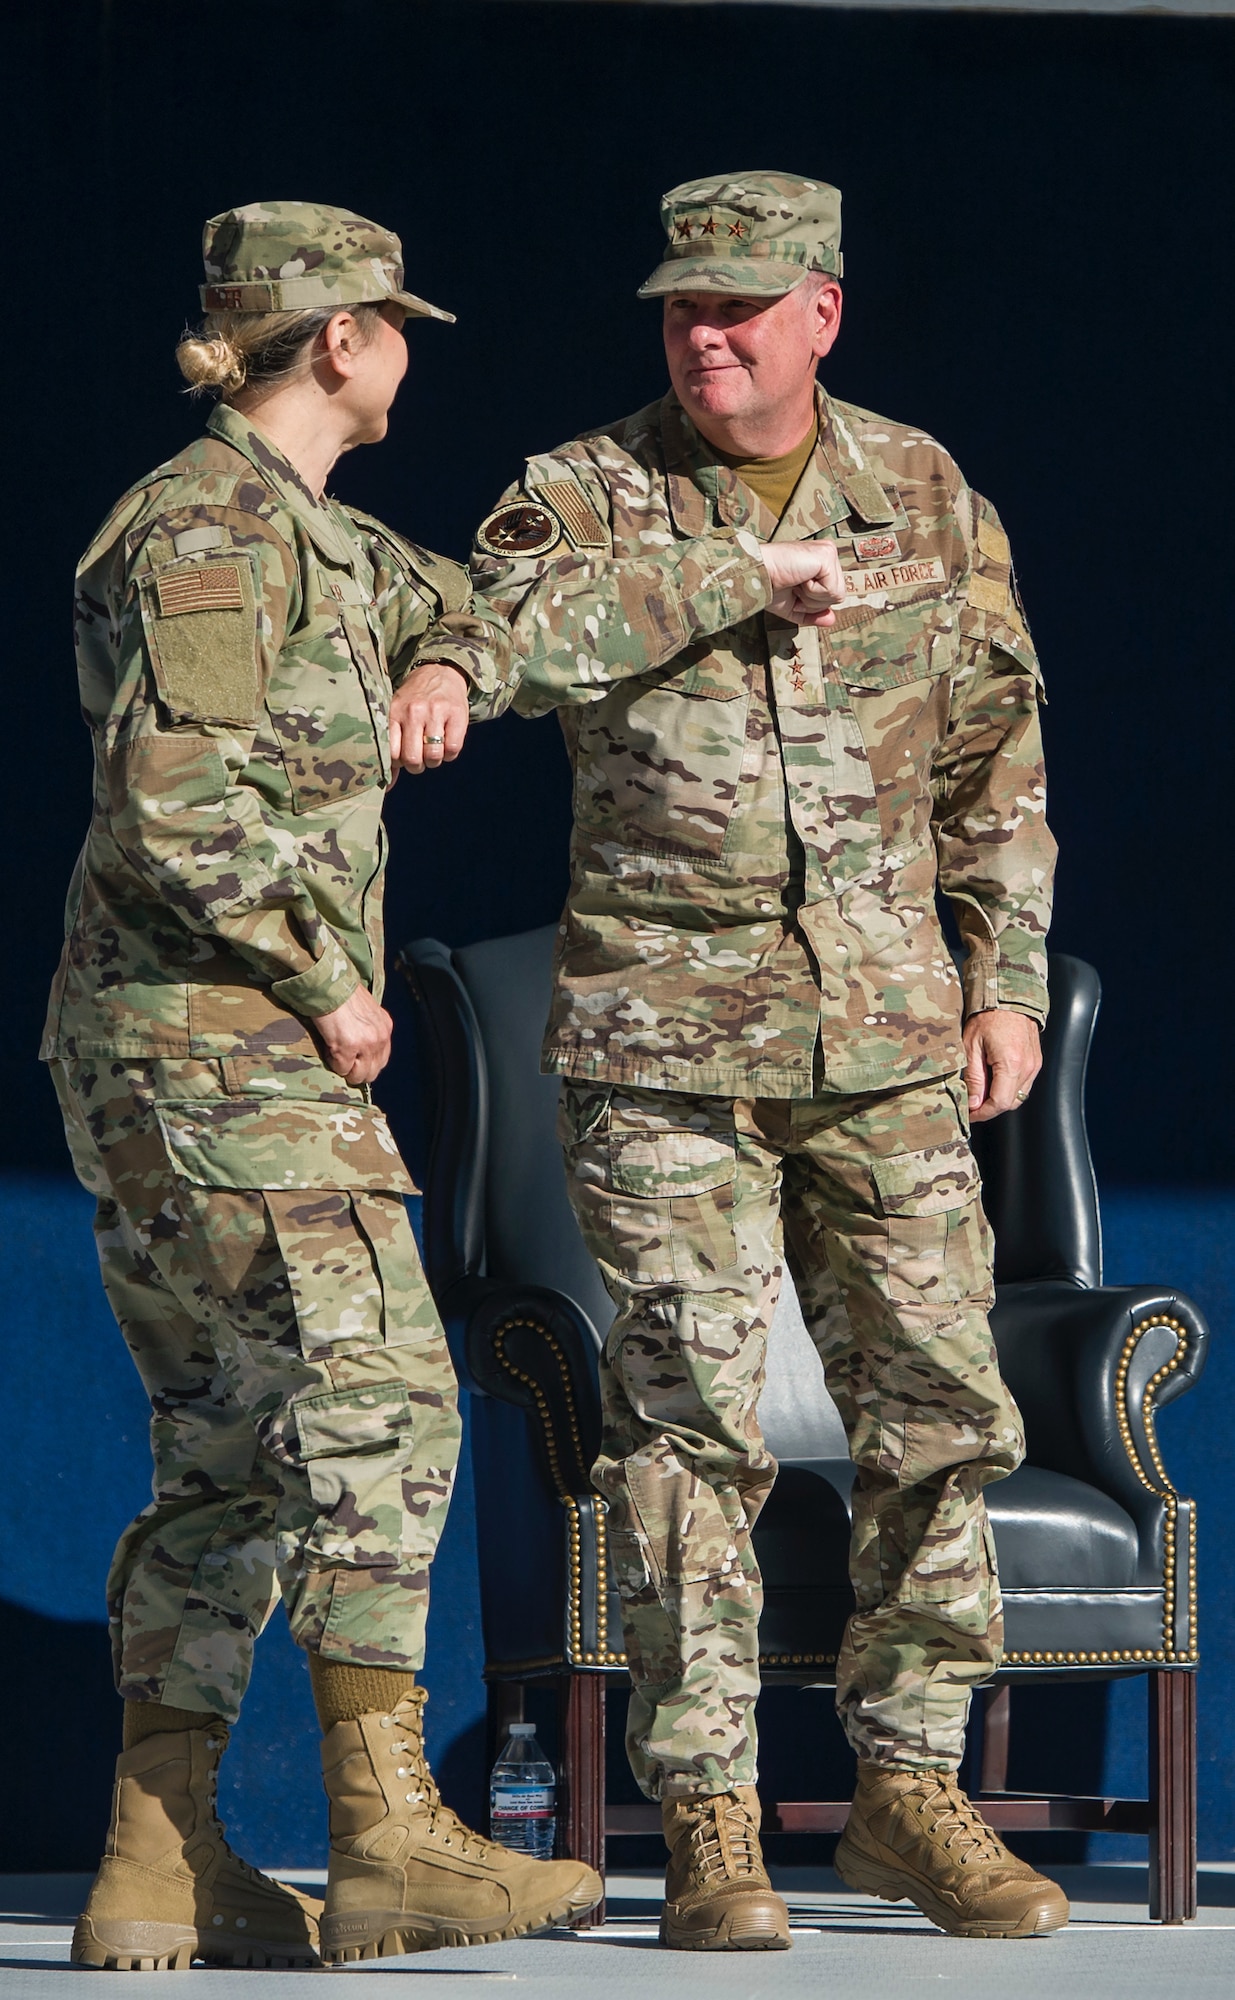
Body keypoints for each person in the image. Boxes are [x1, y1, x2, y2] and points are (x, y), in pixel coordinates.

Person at [469, 171, 1066, 1950]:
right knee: (687, 1434)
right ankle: (710, 1820)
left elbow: (997, 755)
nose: (704, 334)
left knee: (942, 1410)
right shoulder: (583, 492)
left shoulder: (926, 490)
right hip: (665, 1045)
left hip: (885, 1035)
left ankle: (911, 1792)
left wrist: (1003, 980)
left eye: (740, 306)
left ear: (821, 312)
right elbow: (493, 648)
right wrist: (729, 574)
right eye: (679, 306)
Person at [41, 200, 607, 1970]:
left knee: (228, 1455)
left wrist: (449, 657)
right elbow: (175, 802)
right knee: (386, 1408)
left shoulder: (323, 541)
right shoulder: (207, 530)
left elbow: (488, 610)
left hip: (204, 1057)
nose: (412, 356)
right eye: (397, 327)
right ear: (340, 340)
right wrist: (327, 978)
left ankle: (158, 1864)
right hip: (227, 1049)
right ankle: (390, 1842)